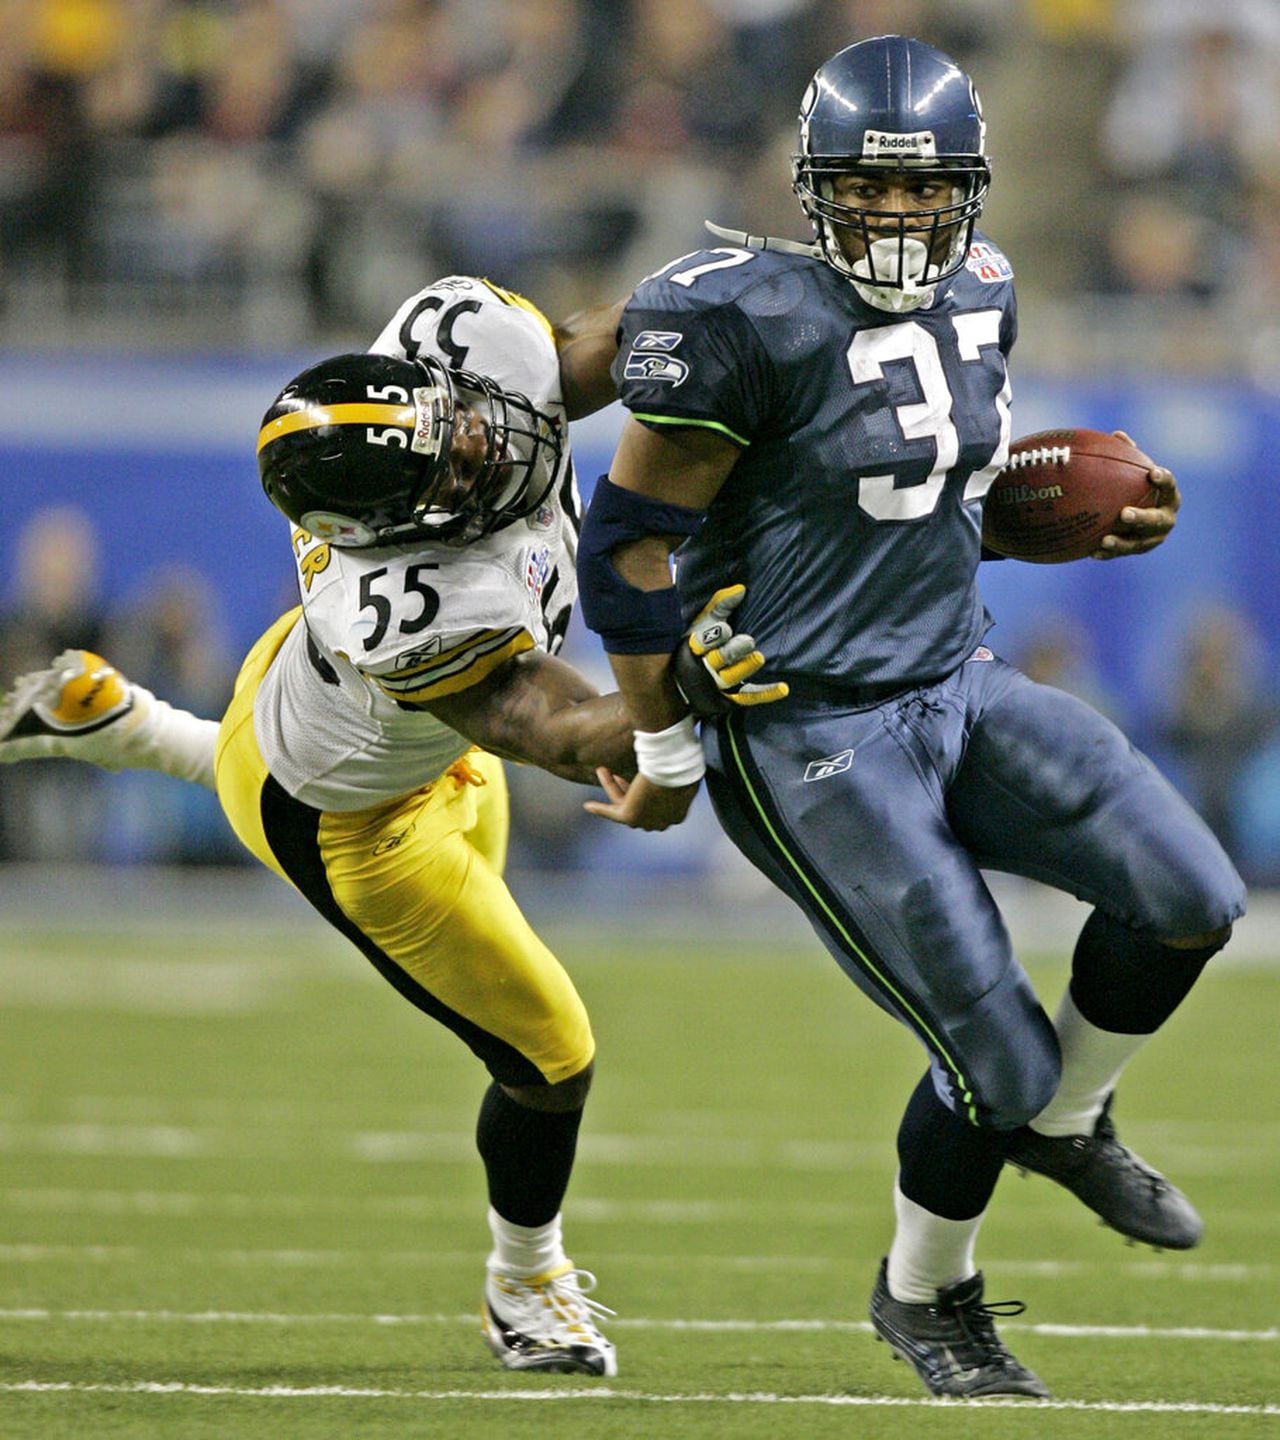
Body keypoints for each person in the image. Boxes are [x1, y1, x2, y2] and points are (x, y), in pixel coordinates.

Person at [575, 34, 1246, 1400]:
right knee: (989, 1054)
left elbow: (919, 502)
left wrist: (1054, 523)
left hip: (954, 677)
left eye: (922, 189)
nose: (895, 216)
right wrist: (658, 746)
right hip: (808, 731)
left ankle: (1072, 1116)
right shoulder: (737, 318)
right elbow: (628, 551)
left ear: (970, 189)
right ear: (814, 187)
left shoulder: (988, 289)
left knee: (1190, 895)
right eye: (865, 191)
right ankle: (928, 1295)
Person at [0, 274, 781, 1378]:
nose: (484, 444)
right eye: (454, 467)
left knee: (283, 775)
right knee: (550, 1056)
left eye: (455, 423)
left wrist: (722, 314)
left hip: (329, 722)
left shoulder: (456, 344)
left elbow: (599, 346)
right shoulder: (406, 607)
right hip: (354, 820)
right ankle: (525, 1282)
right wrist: (681, 698)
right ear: (389, 525)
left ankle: (122, 721)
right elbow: (553, 727)